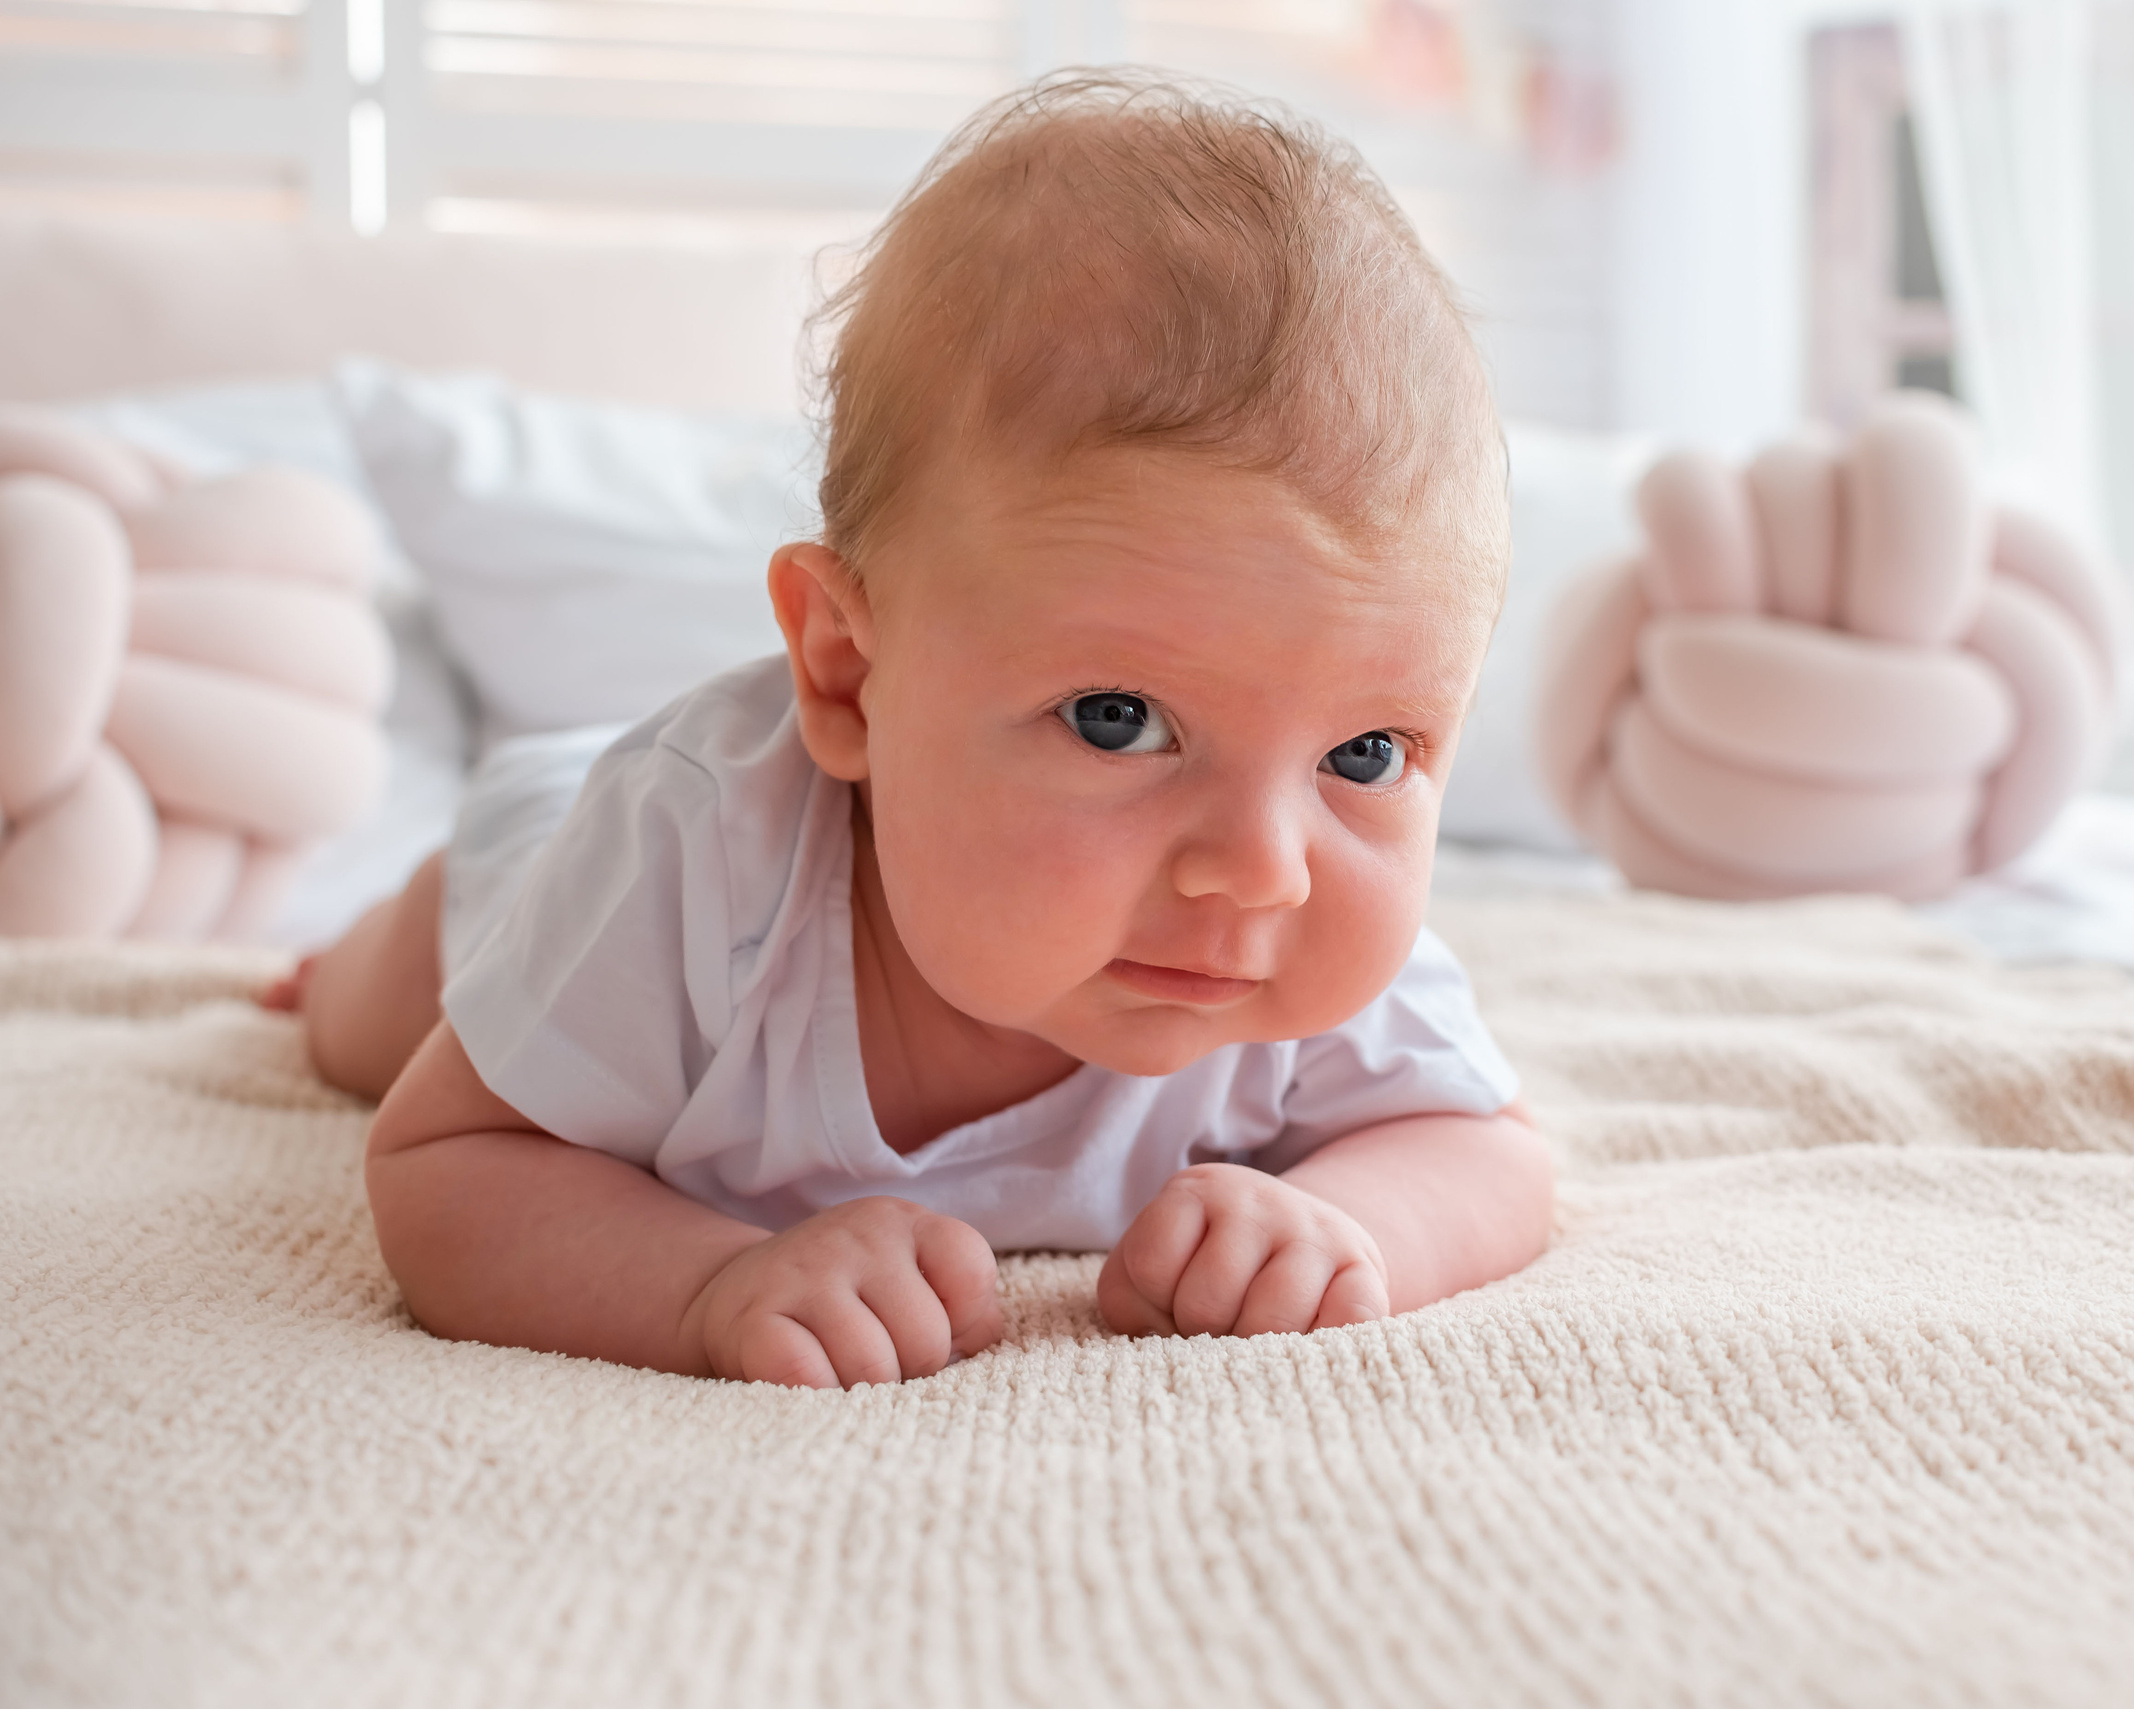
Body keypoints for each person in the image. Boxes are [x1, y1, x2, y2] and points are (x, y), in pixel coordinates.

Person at [273, 72, 1553, 1390]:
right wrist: (707, 1284)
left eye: (1368, 755)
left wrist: (1354, 1229)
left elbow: (1489, 1147)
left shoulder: (1290, 928)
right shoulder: (686, 865)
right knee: (373, 1024)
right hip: (540, 854)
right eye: (1119, 721)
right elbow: (448, 1167)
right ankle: (341, 953)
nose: (1261, 866)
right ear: (844, 675)